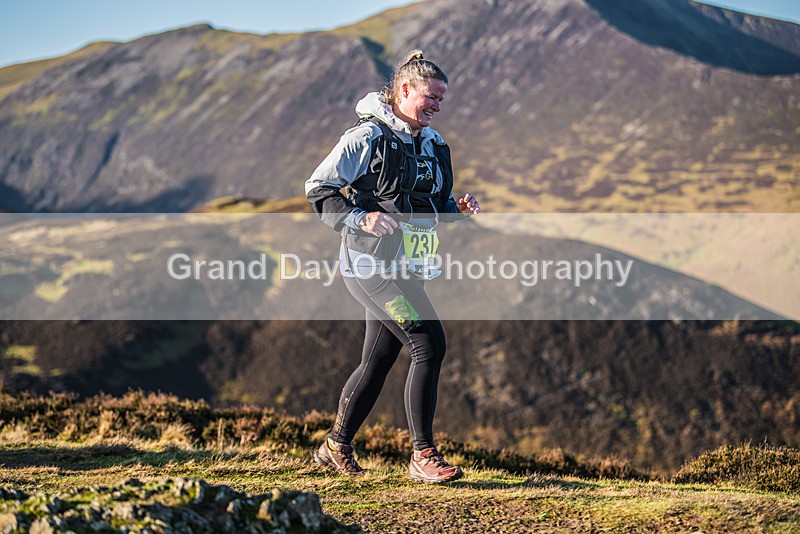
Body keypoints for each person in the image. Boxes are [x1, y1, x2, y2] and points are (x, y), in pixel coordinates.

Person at [305, 50, 480, 483]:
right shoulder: (367, 137)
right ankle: (423, 457)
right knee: (428, 343)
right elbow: (318, 188)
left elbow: (432, 205)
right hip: (371, 267)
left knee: (379, 359)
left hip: (410, 266)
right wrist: (360, 216)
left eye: (443, 99)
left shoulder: (435, 145)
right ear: (404, 90)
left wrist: (455, 208)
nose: (438, 106)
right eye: (431, 96)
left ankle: (334, 448)